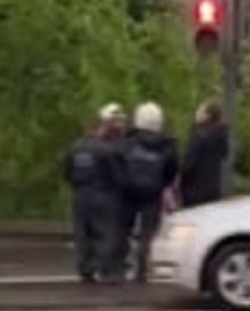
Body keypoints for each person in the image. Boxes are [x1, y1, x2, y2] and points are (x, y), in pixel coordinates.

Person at [63, 104, 128, 284]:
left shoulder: (75, 148)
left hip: (80, 195)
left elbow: (66, 172)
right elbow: (118, 177)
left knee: (82, 233)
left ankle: (85, 268)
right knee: (105, 232)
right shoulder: (108, 150)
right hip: (103, 195)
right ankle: (107, 269)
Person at [123, 101, 178, 282]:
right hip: (153, 191)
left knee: (124, 228)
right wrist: (163, 184)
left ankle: (121, 266)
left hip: (128, 190)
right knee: (148, 232)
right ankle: (141, 270)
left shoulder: (128, 142)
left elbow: (118, 163)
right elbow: (172, 169)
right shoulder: (168, 145)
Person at [179, 100, 228, 208]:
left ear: (208, 116)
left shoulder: (198, 136)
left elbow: (189, 165)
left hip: (194, 191)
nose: (196, 113)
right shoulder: (221, 136)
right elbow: (224, 155)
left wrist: (181, 179)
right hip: (213, 188)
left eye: (200, 110)